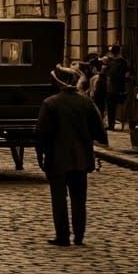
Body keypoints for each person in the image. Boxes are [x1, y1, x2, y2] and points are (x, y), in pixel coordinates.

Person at [34, 64, 108, 247]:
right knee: (79, 199)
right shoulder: (86, 102)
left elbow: (40, 133)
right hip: (81, 159)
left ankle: (63, 236)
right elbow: (100, 132)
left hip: (56, 158)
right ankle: (79, 236)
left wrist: (40, 154)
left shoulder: (50, 103)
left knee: (59, 199)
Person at [102, 44, 129, 131]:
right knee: (114, 107)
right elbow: (127, 73)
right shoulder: (123, 61)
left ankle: (111, 125)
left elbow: (105, 73)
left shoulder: (111, 61)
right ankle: (115, 124)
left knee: (111, 107)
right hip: (120, 88)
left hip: (111, 88)